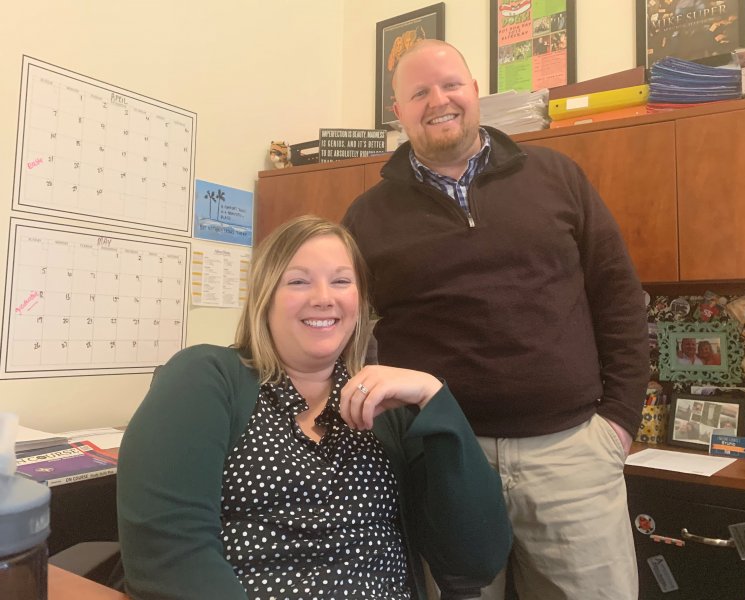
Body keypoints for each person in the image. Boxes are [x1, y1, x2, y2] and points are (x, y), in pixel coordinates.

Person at [342, 40, 649, 600]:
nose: (439, 100)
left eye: (451, 84)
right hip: (446, 461)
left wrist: (620, 421)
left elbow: (620, 297)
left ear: (476, 90)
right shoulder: (368, 216)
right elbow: (348, 331)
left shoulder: (558, 177)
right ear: (398, 112)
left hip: (572, 455)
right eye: (419, 92)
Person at [117, 215, 510, 600]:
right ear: (264, 298)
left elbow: (475, 560)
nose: (324, 298)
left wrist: (432, 398)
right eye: (299, 281)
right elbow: (168, 555)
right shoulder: (206, 377)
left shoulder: (386, 406)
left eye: (341, 281)